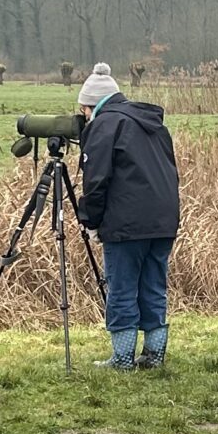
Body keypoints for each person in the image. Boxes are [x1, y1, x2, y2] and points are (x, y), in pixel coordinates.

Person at [73, 62, 180, 369]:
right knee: (153, 286)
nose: (84, 118)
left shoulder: (104, 125)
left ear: (90, 106)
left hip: (127, 223)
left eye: (83, 112)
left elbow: (96, 181)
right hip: (163, 220)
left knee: (121, 288)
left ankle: (122, 359)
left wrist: (91, 221)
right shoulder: (151, 123)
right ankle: (154, 355)